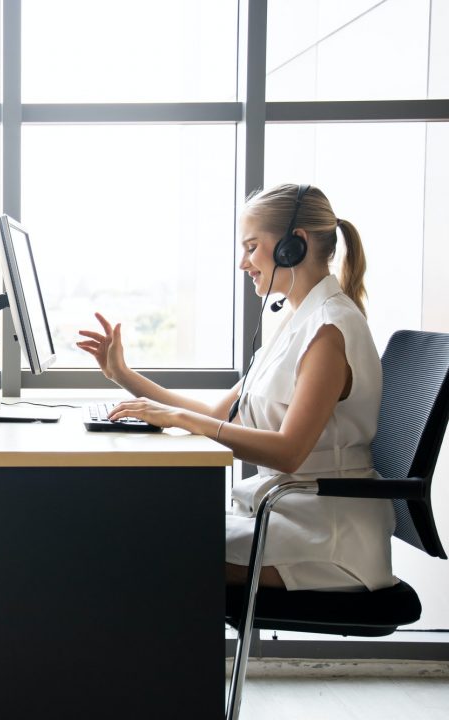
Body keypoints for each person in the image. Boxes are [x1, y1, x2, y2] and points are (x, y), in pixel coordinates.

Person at [77, 183, 393, 592]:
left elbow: (289, 451)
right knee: (142, 531)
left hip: (328, 539)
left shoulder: (329, 329)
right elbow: (218, 416)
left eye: (251, 247)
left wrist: (181, 419)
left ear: (293, 245)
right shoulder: (297, 323)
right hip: (291, 514)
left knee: (147, 546)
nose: (243, 263)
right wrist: (123, 375)